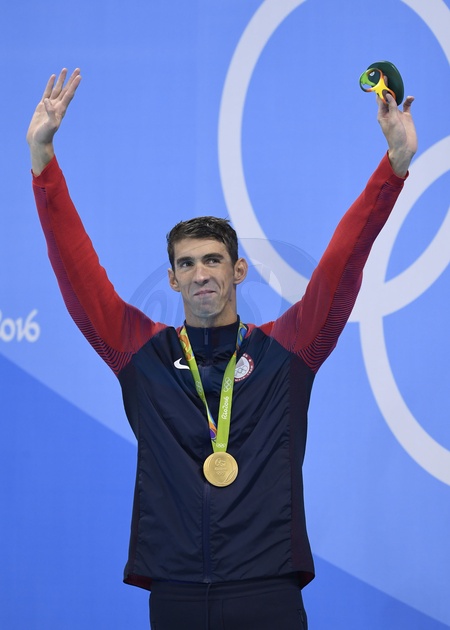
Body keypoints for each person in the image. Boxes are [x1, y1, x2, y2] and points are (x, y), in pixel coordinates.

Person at [27, 68, 417, 630]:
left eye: (213, 260)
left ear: (238, 270)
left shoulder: (286, 350)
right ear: (172, 280)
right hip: (176, 593)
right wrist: (43, 162)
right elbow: (78, 277)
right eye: (186, 264)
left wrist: (394, 167)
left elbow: (343, 263)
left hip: (267, 589)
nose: (201, 273)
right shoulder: (143, 354)